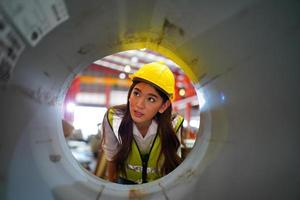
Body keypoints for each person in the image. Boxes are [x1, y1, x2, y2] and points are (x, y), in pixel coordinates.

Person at [101, 61, 184, 184]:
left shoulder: (174, 124)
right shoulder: (114, 118)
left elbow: (174, 164)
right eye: (136, 93)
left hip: (159, 185)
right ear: (129, 95)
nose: (139, 105)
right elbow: (111, 158)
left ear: (163, 106)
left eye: (151, 99)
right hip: (124, 183)